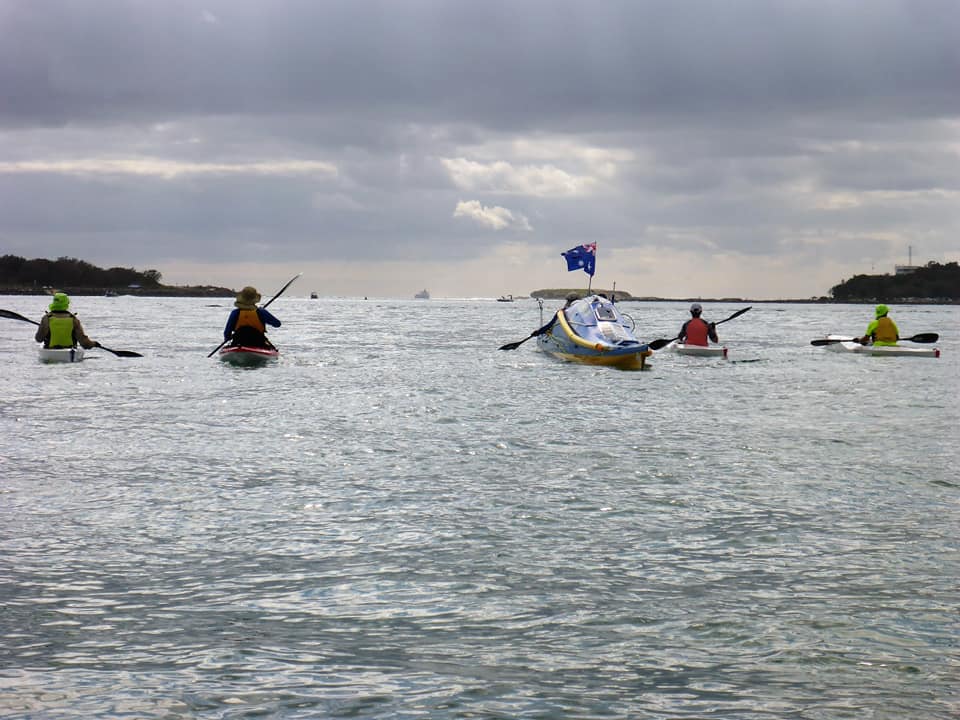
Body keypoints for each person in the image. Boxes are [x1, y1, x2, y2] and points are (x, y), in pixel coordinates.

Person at [35, 292, 100, 349]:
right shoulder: (73, 319)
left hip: (50, 350)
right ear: (66, 303)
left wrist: (44, 329)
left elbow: (39, 339)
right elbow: (84, 343)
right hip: (70, 350)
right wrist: (94, 343)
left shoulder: (46, 318)